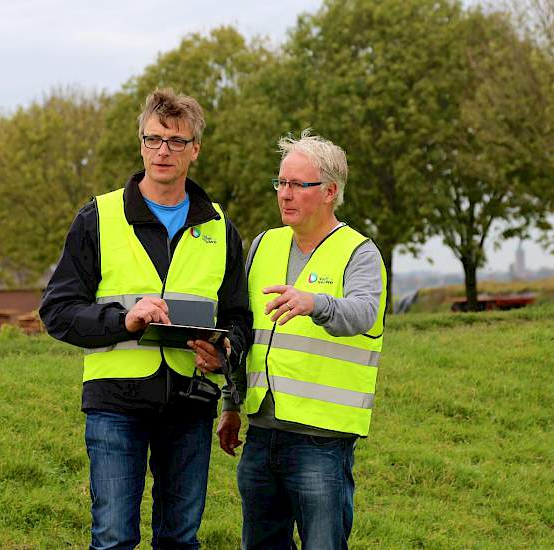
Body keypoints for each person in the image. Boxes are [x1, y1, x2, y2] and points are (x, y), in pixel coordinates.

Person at [39, 88, 251, 550]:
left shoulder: (219, 227)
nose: (163, 151)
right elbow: (56, 312)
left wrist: (224, 352)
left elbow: (239, 317)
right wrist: (123, 322)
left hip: (191, 404)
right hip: (115, 403)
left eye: (176, 141)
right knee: (114, 538)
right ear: (140, 143)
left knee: (179, 538)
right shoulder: (99, 217)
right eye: (154, 139)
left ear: (195, 149)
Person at [217, 130, 386, 549]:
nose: (285, 194)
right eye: (281, 182)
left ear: (330, 191)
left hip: (321, 441)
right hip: (260, 433)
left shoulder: (359, 253)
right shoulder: (262, 245)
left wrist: (316, 303)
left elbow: (364, 313)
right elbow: (247, 330)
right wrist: (231, 405)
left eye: (297, 184)